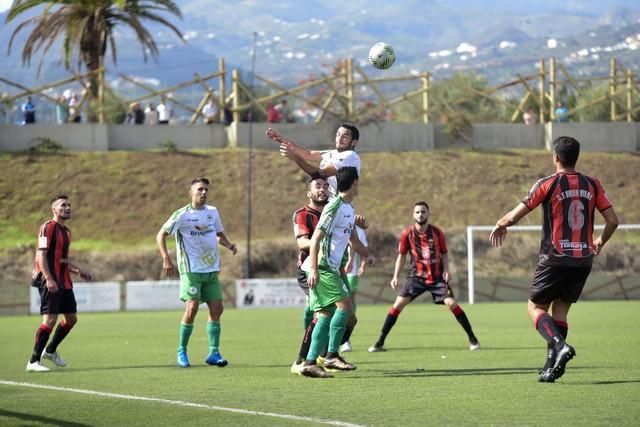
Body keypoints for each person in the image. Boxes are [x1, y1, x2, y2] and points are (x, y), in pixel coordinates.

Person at [489, 136, 618, 383]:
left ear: (556, 157)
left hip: (555, 258)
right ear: (576, 157)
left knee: (534, 308)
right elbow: (613, 220)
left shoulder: (548, 183)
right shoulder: (592, 184)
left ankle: (560, 346)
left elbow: (518, 213)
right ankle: (551, 367)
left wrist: (501, 223)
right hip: (583, 258)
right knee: (560, 311)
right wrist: (600, 241)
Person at [368, 201, 480, 353]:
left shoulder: (437, 233)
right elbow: (401, 256)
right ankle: (379, 342)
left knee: (452, 304)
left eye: (423, 212)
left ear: (428, 214)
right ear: (413, 215)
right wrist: (395, 276)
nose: (421, 214)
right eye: (418, 212)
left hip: (437, 278)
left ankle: (473, 339)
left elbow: (445, 253)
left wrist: (446, 270)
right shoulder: (407, 234)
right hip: (416, 277)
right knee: (398, 304)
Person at [300, 167, 375, 378]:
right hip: (323, 267)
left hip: (334, 268)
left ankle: (309, 362)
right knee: (345, 306)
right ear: (354, 183)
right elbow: (315, 239)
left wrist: (368, 255)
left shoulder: (348, 209)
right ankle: (332, 355)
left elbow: (355, 241)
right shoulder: (333, 206)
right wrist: (314, 268)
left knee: (326, 314)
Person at [156, 178, 238, 368]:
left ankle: (214, 353)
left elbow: (218, 234)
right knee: (192, 308)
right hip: (191, 269)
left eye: (206, 189)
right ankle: (182, 351)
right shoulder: (181, 215)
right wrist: (166, 258)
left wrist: (229, 244)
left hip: (210, 269)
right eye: (200, 189)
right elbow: (161, 234)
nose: (203, 192)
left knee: (217, 308)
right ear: (191, 193)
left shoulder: (212, 212)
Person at [26, 195, 93, 372]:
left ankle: (50, 350)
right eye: (63, 205)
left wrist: (79, 272)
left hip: (64, 282)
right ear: (54, 210)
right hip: (50, 280)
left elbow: (62, 260)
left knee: (71, 319)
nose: (68, 207)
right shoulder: (47, 227)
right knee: (49, 320)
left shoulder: (67, 232)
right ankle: (33, 361)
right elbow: (41, 255)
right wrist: (48, 278)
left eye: (69, 205)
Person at [290, 176, 330, 374]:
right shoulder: (302, 214)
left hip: (331, 270)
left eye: (325, 186)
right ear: (309, 193)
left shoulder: (333, 212)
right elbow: (302, 243)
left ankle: (327, 355)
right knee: (323, 313)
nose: (322, 189)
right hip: (309, 270)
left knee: (346, 315)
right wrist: (321, 242)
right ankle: (303, 360)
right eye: (317, 186)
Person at [265, 123, 361, 198]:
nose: (339, 139)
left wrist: (295, 158)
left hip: (336, 206)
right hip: (325, 203)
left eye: (344, 137)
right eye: (338, 135)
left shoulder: (350, 156)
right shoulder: (334, 153)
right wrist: (281, 140)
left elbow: (322, 174)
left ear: (354, 142)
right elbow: (308, 154)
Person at [340, 224, 368, 353]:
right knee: (336, 304)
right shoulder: (333, 223)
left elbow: (362, 248)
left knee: (349, 300)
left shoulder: (359, 230)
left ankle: (346, 340)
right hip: (335, 270)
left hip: (352, 271)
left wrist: (362, 265)